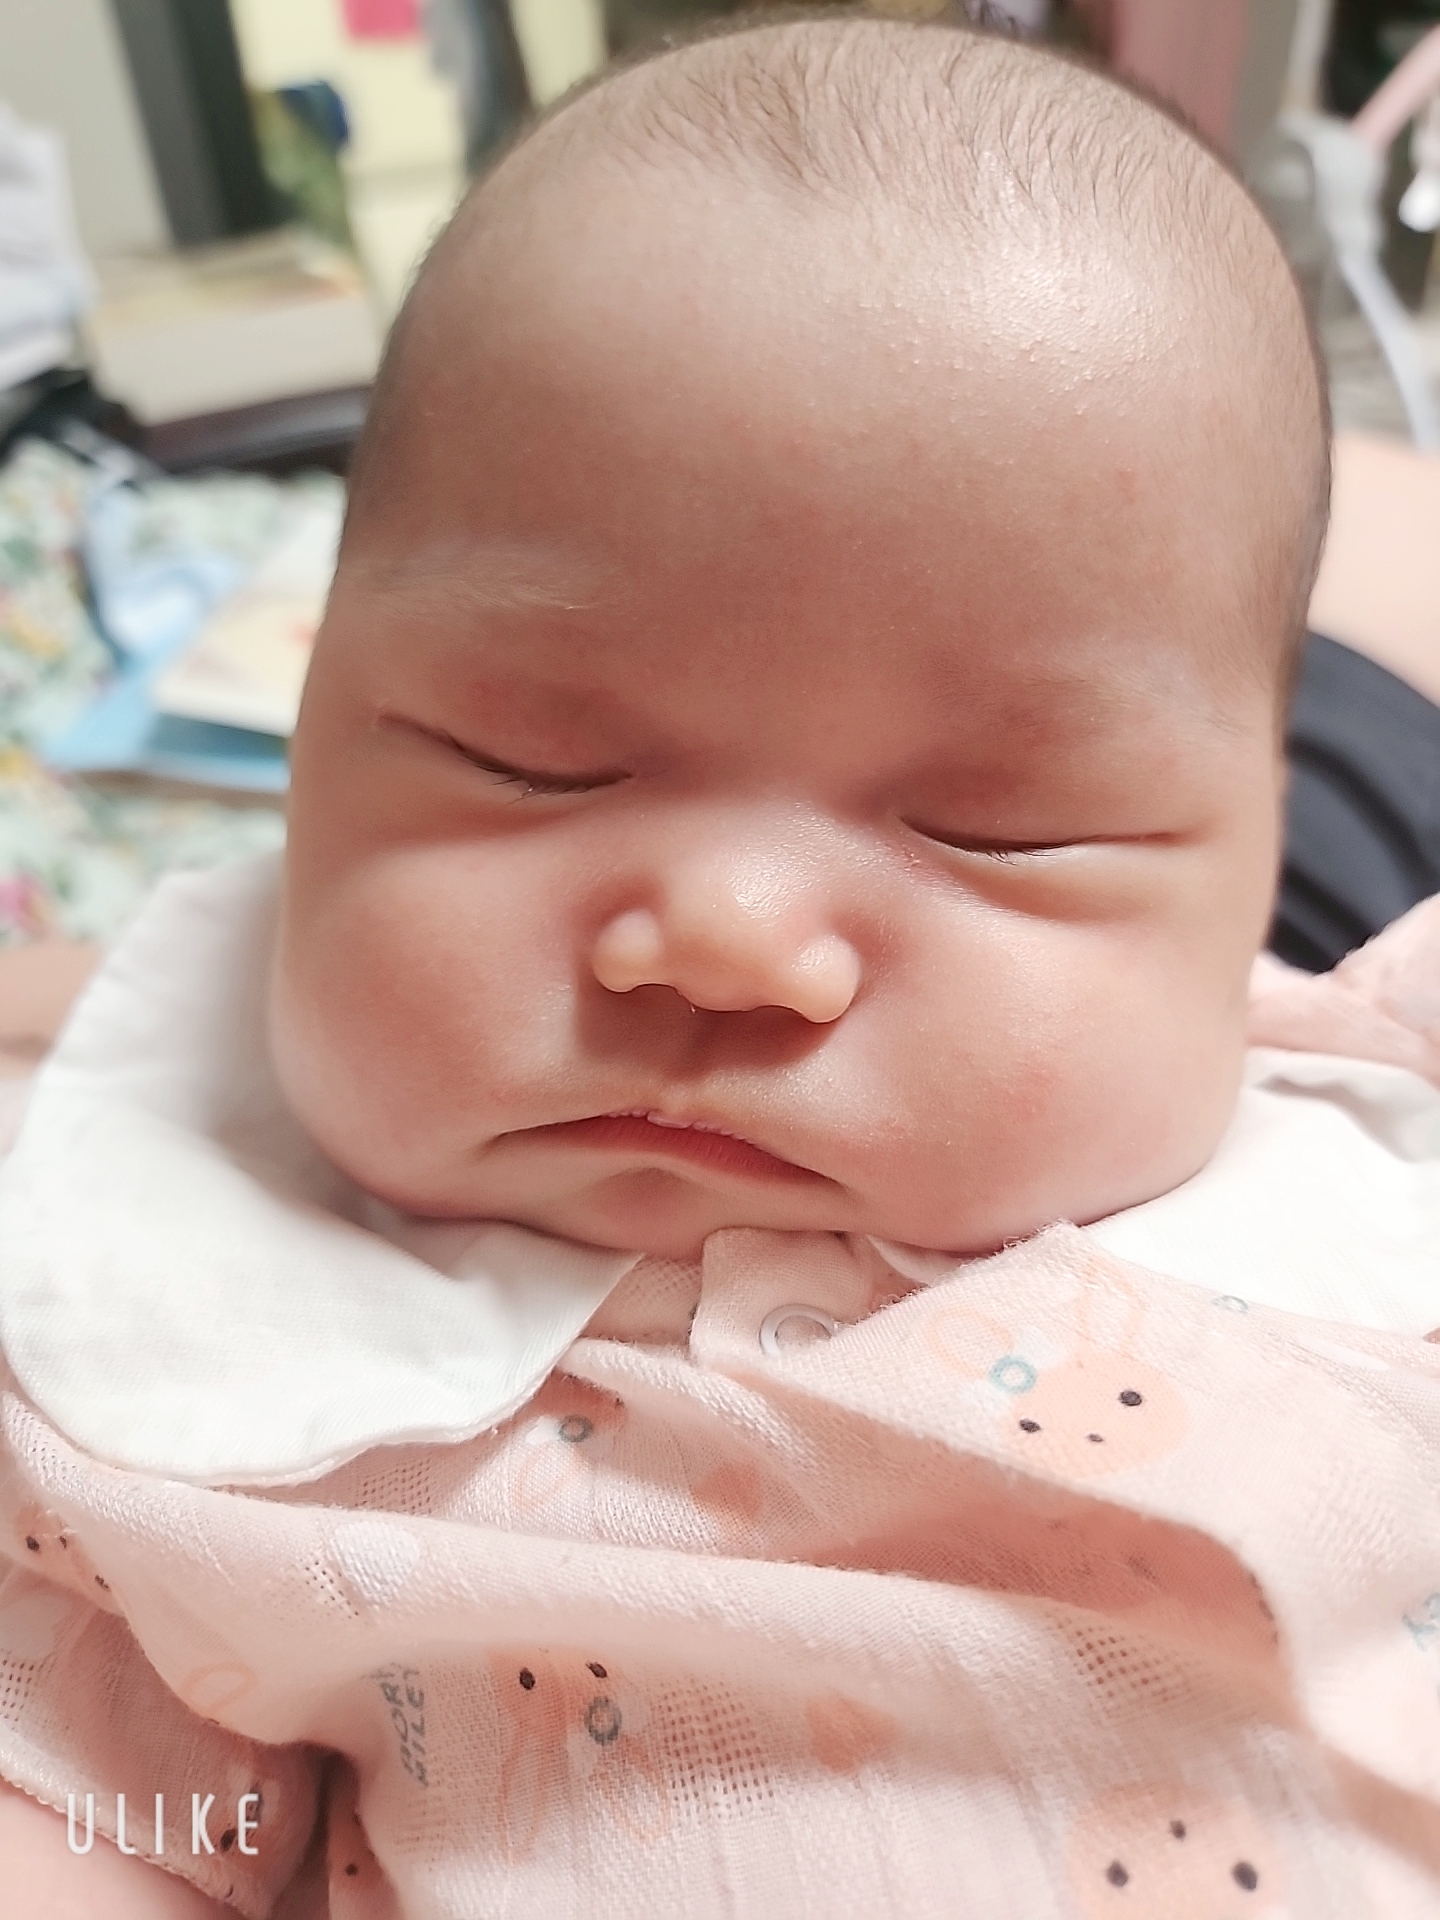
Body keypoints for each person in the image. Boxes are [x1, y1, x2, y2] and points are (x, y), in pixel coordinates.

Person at [2, 16, 1439, 1915]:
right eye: (530, 760)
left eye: (997, 827)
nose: (730, 945)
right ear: (314, 726)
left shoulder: (1368, 1109)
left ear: (1241, 875)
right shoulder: (175, 1386)